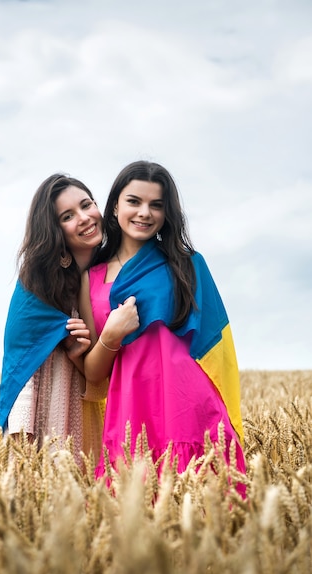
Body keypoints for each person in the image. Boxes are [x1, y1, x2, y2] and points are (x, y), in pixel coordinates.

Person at [79, 160, 246, 494]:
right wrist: (112, 334)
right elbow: (93, 374)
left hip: (189, 408)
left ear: (167, 213)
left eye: (157, 205)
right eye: (134, 201)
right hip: (128, 413)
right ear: (114, 206)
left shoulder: (188, 265)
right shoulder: (90, 278)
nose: (145, 212)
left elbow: (215, 344)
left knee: (203, 518)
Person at [0, 173, 106, 466]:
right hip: (47, 395)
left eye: (87, 205)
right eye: (68, 216)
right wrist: (23, 429)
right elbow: (23, 355)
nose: (84, 218)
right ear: (54, 230)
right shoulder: (38, 280)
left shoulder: (112, 273)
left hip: (86, 400)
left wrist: (81, 352)